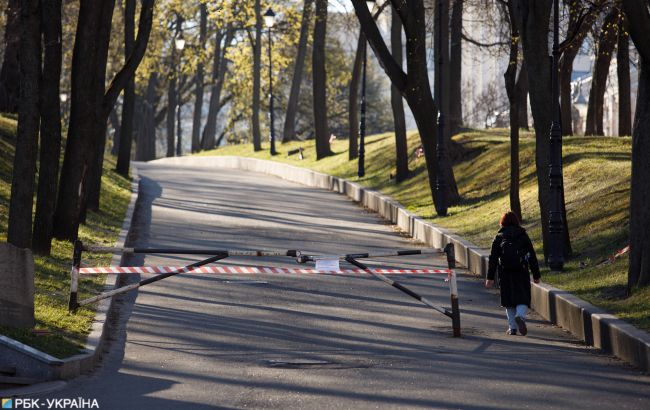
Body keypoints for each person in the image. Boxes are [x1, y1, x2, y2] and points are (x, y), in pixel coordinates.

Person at [485, 211, 540, 336]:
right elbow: (532, 256)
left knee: (508, 300)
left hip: (505, 272)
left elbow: (493, 258)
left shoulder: (499, 237)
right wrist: (536, 275)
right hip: (521, 271)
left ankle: (512, 328)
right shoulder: (523, 235)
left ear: (502, 222)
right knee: (523, 297)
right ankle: (520, 316)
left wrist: (490, 277)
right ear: (516, 221)